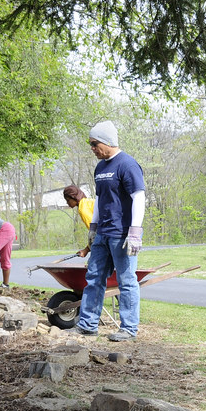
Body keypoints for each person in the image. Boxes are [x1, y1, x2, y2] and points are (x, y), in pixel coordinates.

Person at [68, 121, 145, 342]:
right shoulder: (100, 168)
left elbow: (138, 198)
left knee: (127, 281)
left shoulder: (127, 165)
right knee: (93, 278)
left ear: (108, 142)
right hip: (103, 233)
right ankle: (87, 325)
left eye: (94, 143)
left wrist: (135, 231)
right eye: (90, 144)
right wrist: (93, 228)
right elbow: (100, 200)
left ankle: (129, 329)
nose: (92, 148)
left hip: (122, 234)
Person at [63, 184, 95, 257]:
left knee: (93, 266)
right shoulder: (88, 202)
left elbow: (94, 231)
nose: (67, 203)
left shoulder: (83, 208)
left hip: (107, 235)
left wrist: (86, 250)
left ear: (74, 197)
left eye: (68, 200)